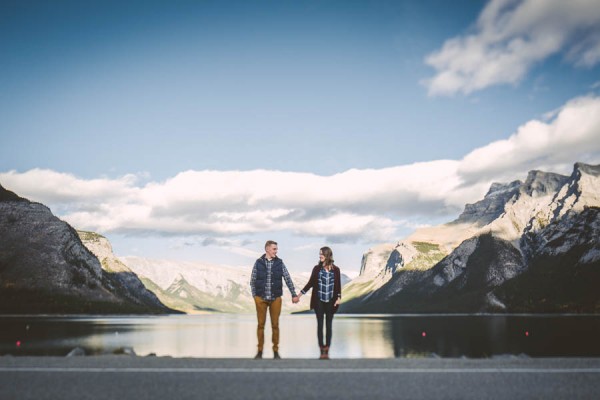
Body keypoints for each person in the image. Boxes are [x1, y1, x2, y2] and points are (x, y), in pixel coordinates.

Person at [250, 240, 299, 359]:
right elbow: (253, 280)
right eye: (274, 249)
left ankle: (276, 351)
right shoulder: (258, 263)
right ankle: (260, 351)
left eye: (276, 249)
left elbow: (287, 278)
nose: (276, 251)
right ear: (267, 249)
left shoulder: (280, 263)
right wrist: (255, 296)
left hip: (275, 298)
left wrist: (293, 294)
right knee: (260, 325)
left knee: (275, 325)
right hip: (260, 298)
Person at [298, 246, 342, 360]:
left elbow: (338, 286)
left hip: (331, 301)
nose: (320, 256)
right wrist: (299, 295)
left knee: (329, 326)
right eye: (319, 254)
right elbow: (310, 283)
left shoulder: (336, 269)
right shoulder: (317, 269)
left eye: (322, 254)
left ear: (327, 255)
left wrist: (339, 297)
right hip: (319, 301)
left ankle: (327, 348)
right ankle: (321, 349)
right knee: (320, 325)